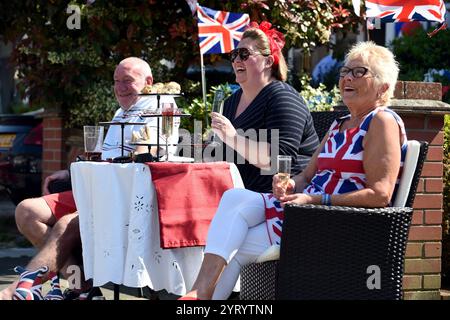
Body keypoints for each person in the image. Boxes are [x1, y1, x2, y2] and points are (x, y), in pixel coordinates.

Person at [181, 41, 408, 300]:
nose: (347, 78)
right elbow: (305, 177)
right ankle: (198, 297)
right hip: (302, 212)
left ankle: (199, 296)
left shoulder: (381, 121)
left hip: (330, 222)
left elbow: (380, 195)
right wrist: (290, 185)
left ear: (383, 86)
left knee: (235, 241)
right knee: (234, 205)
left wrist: (315, 199)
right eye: (345, 71)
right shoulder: (339, 124)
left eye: (359, 72)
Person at [0, 57, 178, 300]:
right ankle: (82, 286)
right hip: (95, 189)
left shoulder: (162, 106)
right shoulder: (120, 111)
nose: (120, 87)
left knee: (66, 224)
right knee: (26, 211)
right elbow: (105, 158)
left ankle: (19, 289)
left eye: (127, 81)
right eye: (116, 81)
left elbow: (150, 156)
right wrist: (71, 171)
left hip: (124, 197)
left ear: (148, 82)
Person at [211, 21, 319, 193]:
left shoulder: (283, 98)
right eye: (234, 54)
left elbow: (278, 160)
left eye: (245, 54)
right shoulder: (231, 102)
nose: (237, 60)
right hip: (238, 194)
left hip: (281, 198)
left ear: (268, 62)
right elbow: (220, 154)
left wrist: (232, 137)